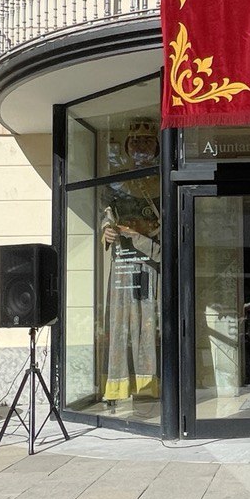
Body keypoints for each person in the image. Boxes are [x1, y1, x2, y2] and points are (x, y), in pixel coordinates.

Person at [101, 117, 162, 403]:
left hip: (150, 258)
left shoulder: (162, 179)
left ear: (157, 146)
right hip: (123, 259)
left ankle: (149, 383)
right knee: (120, 319)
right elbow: (107, 213)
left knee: (148, 320)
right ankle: (118, 383)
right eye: (135, 141)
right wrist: (107, 231)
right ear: (127, 146)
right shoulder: (116, 181)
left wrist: (140, 232)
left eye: (147, 141)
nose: (140, 146)